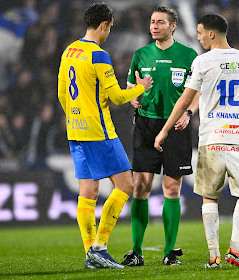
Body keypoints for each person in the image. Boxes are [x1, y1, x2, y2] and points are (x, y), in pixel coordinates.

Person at [154, 13, 239, 268]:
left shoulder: (203, 62)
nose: (198, 36)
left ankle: (214, 257)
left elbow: (184, 100)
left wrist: (164, 130)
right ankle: (235, 251)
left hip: (212, 139)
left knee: (209, 197)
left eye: (200, 32)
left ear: (211, 34)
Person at [57, 3, 152, 269]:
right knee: (125, 185)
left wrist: (76, 117)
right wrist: (140, 88)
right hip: (99, 133)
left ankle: (90, 253)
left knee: (88, 191)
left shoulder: (69, 51)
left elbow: (62, 95)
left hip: (74, 130)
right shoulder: (98, 55)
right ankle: (99, 247)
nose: (108, 32)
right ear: (103, 25)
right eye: (109, 27)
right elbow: (116, 97)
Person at [121, 7, 199, 267]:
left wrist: (188, 111)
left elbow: (197, 92)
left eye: (160, 22)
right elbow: (131, 85)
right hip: (146, 124)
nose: (154, 26)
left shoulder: (188, 55)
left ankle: (169, 252)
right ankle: (136, 252)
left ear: (173, 26)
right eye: (152, 22)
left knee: (172, 188)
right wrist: (133, 95)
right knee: (141, 187)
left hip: (176, 126)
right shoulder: (141, 55)